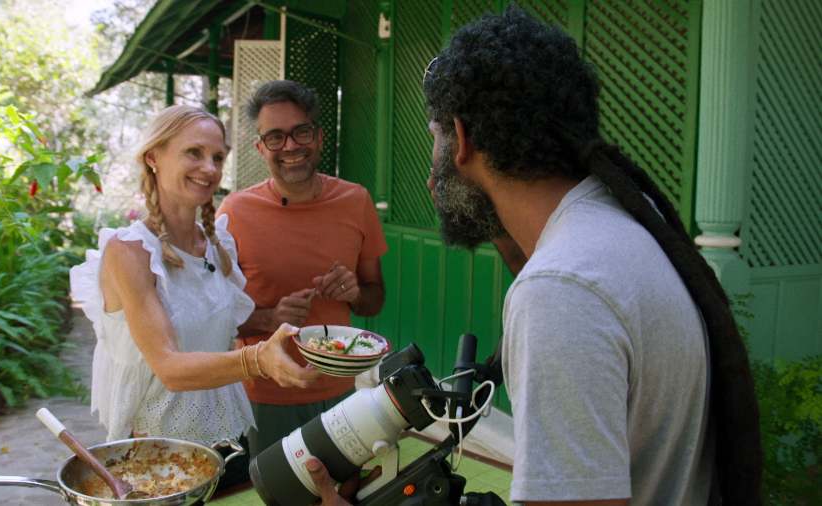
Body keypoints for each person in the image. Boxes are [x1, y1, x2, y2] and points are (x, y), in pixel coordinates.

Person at [307, 7, 761, 506]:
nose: (431, 172)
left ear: (461, 139)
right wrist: (492, 217)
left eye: (434, 140)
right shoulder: (617, 228)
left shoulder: (560, 290)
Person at [69, 104, 320, 493]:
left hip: (230, 442)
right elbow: (168, 365)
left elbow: (211, 325)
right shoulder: (130, 251)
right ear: (153, 157)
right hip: (160, 456)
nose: (210, 168)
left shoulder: (217, 243)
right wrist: (258, 360)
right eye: (194, 153)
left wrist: (271, 321)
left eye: (218, 157)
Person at [218, 80, 388, 455]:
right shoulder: (234, 212)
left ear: (319, 137)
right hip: (266, 396)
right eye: (275, 137)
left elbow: (375, 299)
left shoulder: (355, 200)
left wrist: (356, 293)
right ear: (260, 148)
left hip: (342, 390)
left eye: (301, 132)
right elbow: (216, 318)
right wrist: (269, 318)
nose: (291, 146)